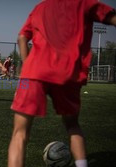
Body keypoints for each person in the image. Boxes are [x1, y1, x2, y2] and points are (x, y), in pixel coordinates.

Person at [8, 1, 116, 167]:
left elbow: (22, 37)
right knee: (72, 124)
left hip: (35, 71)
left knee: (19, 133)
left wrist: (27, 66)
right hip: (68, 73)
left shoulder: (40, 7)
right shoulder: (84, 3)